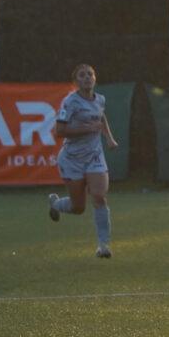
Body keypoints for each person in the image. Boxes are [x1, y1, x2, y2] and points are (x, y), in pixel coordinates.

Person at [47, 63, 119, 258]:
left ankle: (103, 245)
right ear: (75, 81)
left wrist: (109, 138)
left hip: (95, 156)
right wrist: (86, 129)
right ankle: (56, 204)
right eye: (82, 75)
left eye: (90, 74)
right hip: (72, 159)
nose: (87, 77)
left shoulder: (100, 99)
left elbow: (101, 118)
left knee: (99, 196)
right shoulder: (70, 102)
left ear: (95, 79)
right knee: (78, 207)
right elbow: (59, 131)